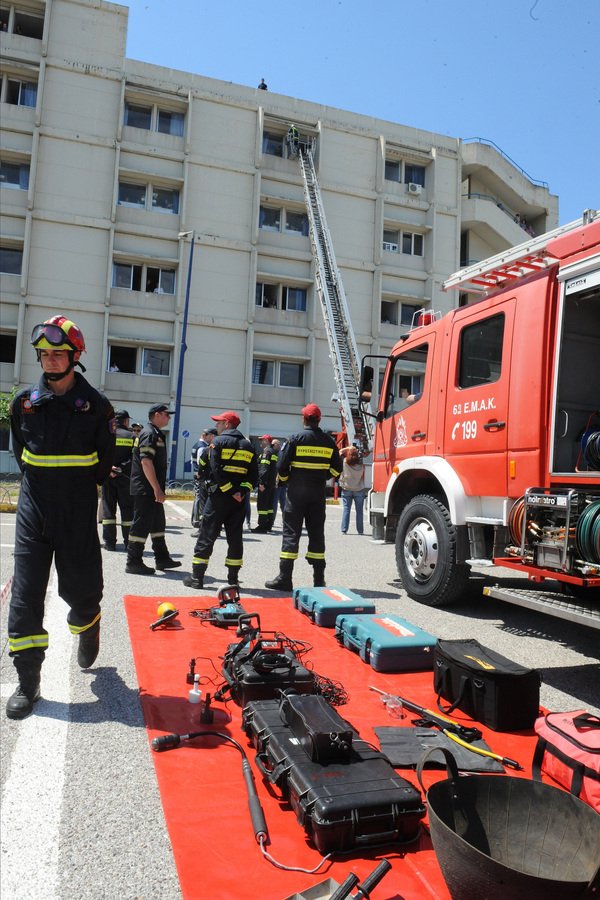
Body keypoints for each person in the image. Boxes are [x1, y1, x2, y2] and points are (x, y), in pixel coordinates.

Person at [6, 315, 115, 719]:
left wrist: (77, 492)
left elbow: (103, 463)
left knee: (83, 588)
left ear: (75, 356)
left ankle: (88, 626)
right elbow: (23, 455)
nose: (50, 360)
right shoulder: (24, 403)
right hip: (34, 510)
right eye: (44, 354)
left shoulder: (98, 407)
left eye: (58, 353)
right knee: (25, 597)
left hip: (77, 509)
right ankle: (28, 680)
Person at [265, 404, 341, 591]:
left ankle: (285, 578)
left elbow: (281, 466)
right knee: (316, 533)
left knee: (291, 533)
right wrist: (323, 477)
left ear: (304, 419)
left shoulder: (294, 439)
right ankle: (318, 580)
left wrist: (285, 480)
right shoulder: (329, 442)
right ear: (319, 420)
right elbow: (337, 468)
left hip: (295, 494)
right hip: (317, 494)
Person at [184, 411, 257, 589]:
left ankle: (197, 578)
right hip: (239, 501)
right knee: (235, 538)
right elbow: (254, 476)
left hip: (218, 497)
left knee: (206, 535)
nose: (216, 425)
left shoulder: (218, 442)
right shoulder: (248, 445)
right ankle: (233, 580)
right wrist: (241, 491)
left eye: (218, 422)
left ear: (226, 423)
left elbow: (215, 469)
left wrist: (230, 490)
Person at [126, 404, 182, 575]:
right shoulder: (149, 434)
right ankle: (133, 562)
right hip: (146, 488)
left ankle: (162, 558)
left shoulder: (155, 433)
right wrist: (157, 488)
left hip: (150, 488)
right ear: (157, 415)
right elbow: (146, 462)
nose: (169, 418)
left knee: (158, 523)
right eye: (167, 415)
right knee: (141, 525)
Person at [101, 408, 134, 550]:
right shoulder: (132, 436)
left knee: (108, 509)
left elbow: (100, 454)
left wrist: (109, 468)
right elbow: (135, 459)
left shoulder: (107, 434)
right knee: (127, 510)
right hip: (125, 478)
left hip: (108, 477)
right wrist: (120, 468)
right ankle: (128, 542)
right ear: (126, 421)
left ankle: (109, 543)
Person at [191, 427, 217, 531]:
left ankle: (196, 519)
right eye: (212, 436)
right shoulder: (202, 447)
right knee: (200, 500)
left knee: (198, 498)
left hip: (198, 475)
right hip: (201, 477)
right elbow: (200, 462)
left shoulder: (196, 445)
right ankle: (198, 520)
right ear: (207, 435)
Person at [339, 446, 366, 534]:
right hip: (359, 489)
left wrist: (349, 448)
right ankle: (360, 530)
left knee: (346, 509)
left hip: (347, 488)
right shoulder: (361, 464)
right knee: (359, 511)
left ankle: (344, 529)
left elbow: (340, 452)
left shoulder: (345, 462)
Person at [253, 434, 277, 532]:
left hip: (265, 483)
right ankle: (269, 525)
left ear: (267, 441)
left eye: (262, 440)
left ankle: (262, 526)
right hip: (271, 483)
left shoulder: (266, 452)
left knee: (262, 505)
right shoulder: (273, 452)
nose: (260, 442)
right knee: (269, 505)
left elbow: (263, 468)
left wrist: (261, 483)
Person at [271, 438, 286, 525]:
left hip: (279, 483)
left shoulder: (279, 454)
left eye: (274, 445)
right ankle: (284, 521)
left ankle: (272, 521)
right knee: (282, 503)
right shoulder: (281, 453)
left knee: (276, 503)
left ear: (277, 445)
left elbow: (278, 467)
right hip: (282, 482)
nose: (273, 446)